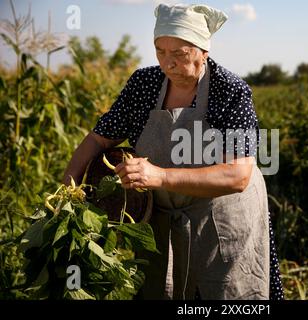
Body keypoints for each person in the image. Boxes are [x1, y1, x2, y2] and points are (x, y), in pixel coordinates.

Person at [63, 3, 283, 300]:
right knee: (160, 289)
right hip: (163, 217)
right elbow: (98, 140)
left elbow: (238, 175)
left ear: (204, 51)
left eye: (179, 54)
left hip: (221, 216)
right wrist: (68, 190)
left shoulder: (230, 91)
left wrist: (159, 175)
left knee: (224, 293)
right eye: (160, 52)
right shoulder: (144, 84)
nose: (168, 63)